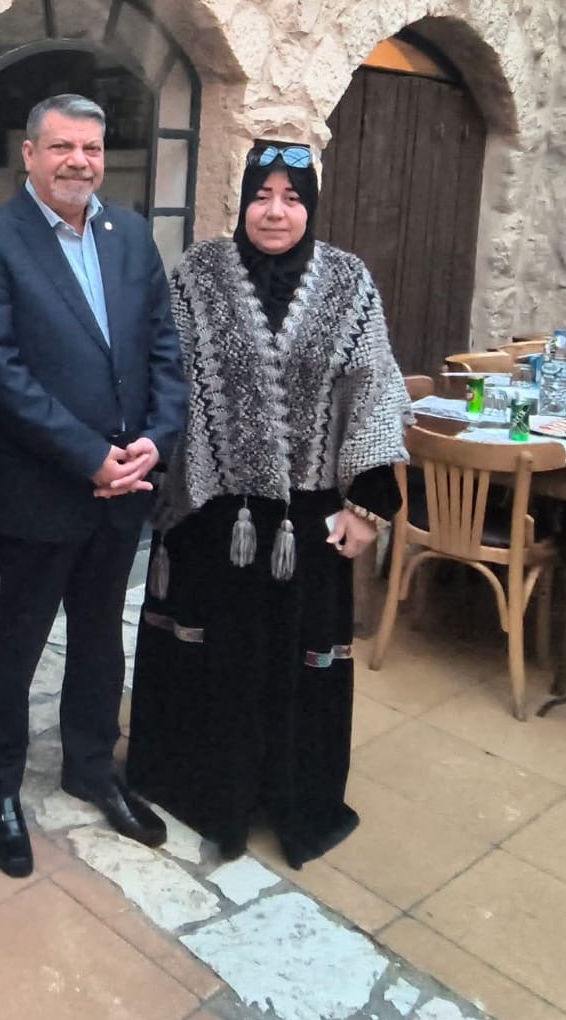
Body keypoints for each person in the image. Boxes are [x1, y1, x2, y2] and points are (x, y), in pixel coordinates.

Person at [126, 140, 410, 868]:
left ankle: (290, 797)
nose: (274, 211)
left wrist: (368, 506)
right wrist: (154, 465)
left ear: (310, 205)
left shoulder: (348, 281)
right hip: (209, 514)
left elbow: (376, 389)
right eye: (261, 195)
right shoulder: (199, 274)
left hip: (305, 523)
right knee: (212, 657)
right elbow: (166, 374)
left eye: (291, 198)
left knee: (293, 662)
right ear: (243, 200)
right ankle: (204, 792)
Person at [0, 93, 188, 877]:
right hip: (39, 491)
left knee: (99, 637)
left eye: (90, 147)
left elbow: (163, 348)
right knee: (11, 644)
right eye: (61, 147)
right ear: (29, 153)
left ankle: (90, 768)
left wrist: (154, 441)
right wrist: (89, 455)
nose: (78, 162)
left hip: (127, 488)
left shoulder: (131, 237)